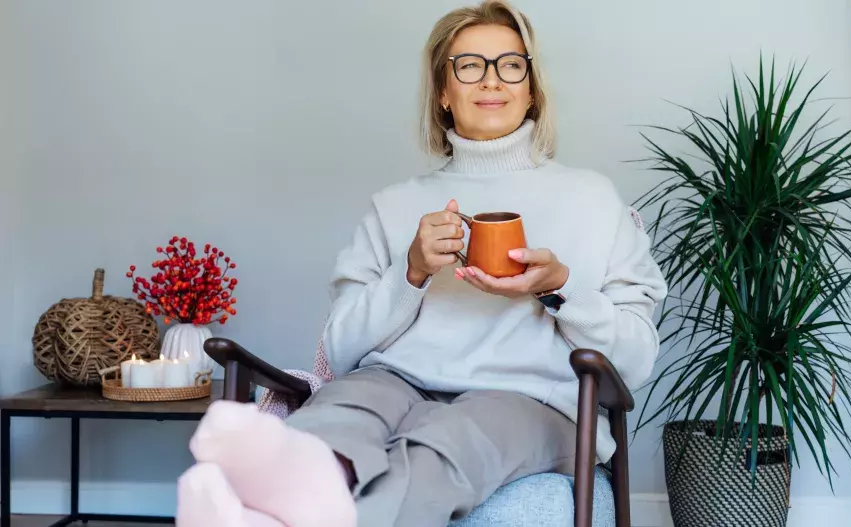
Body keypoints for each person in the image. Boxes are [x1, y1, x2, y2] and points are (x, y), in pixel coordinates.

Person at [175, 1, 668, 526]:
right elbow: (339, 354)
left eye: (511, 64)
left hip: (534, 401)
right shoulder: (395, 205)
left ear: (531, 88)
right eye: (469, 65)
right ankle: (267, 503)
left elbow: (635, 361)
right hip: (395, 379)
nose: (491, 80)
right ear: (442, 92)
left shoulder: (593, 200)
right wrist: (409, 273)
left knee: (450, 439)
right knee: (343, 410)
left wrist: (559, 288)